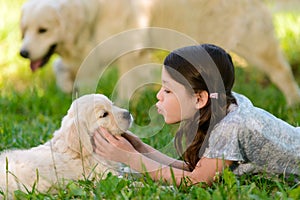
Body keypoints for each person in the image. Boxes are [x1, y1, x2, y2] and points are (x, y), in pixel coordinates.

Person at [93, 44, 300, 186]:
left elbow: (196, 181)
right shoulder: (221, 105)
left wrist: (131, 158)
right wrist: (141, 149)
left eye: (167, 90)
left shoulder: (230, 127)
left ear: (200, 99)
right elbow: (195, 169)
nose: (158, 95)